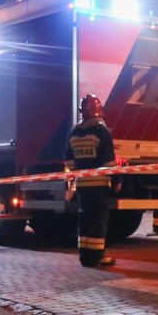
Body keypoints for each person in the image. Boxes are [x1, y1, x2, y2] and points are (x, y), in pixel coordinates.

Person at [65, 93, 121, 267]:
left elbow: (69, 161)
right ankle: (97, 256)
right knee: (98, 221)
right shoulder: (101, 131)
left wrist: (77, 174)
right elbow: (109, 161)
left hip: (82, 185)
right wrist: (117, 180)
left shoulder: (74, 132)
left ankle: (85, 256)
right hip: (99, 184)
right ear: (98, 111)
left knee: (85, 219)